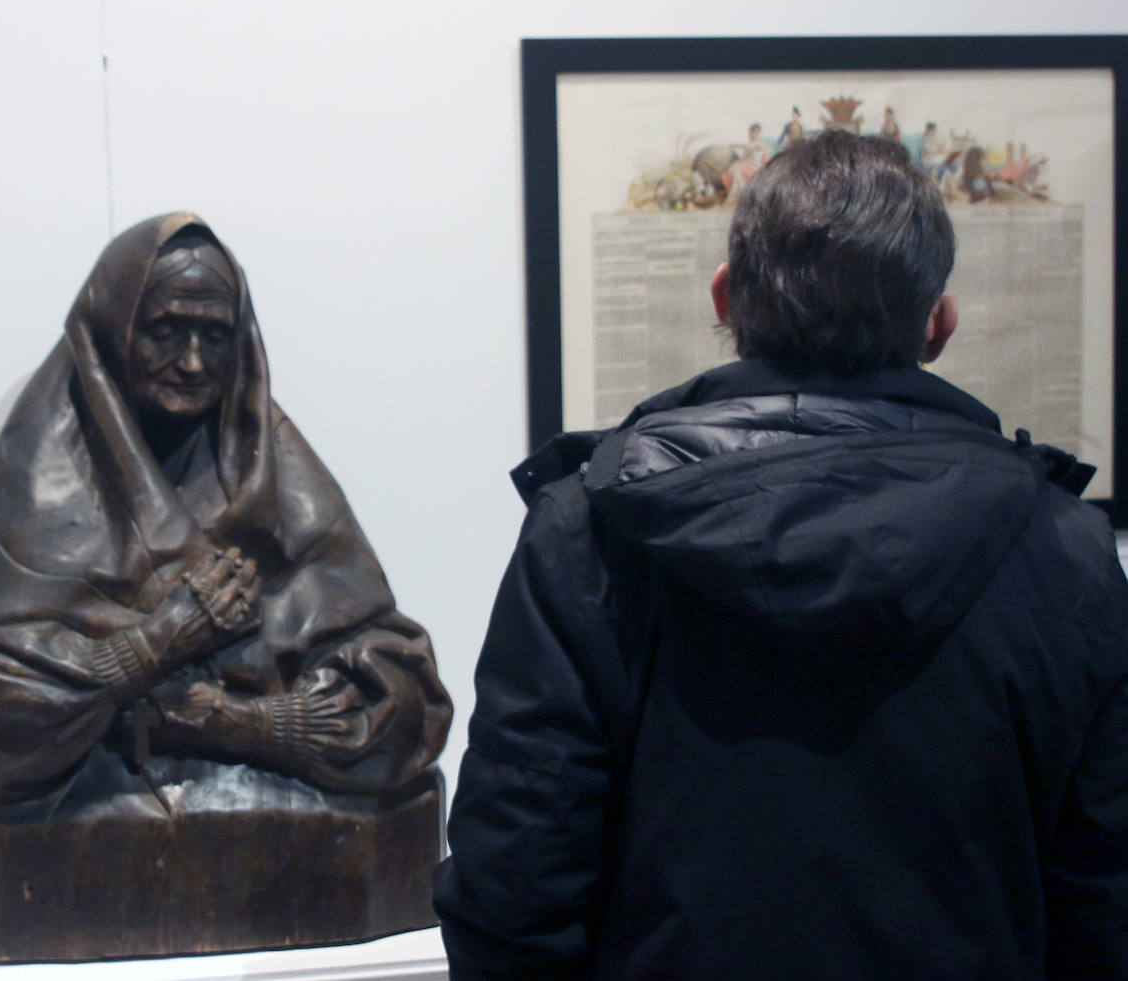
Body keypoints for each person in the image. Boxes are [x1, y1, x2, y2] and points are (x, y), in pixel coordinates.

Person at [433, 131, 1128, 979]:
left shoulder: (589, 532)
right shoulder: (1066, 549)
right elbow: (1105, 897)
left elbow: (514, 881)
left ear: (725, 298)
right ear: (938, 323)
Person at [0, 211, 451, 804]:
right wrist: (156, 643)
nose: (191, 362)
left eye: (214, 336)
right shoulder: (35, 491)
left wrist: (249, 725)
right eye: (166, 331)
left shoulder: (280, 478)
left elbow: (408, 694)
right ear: (111, 333)